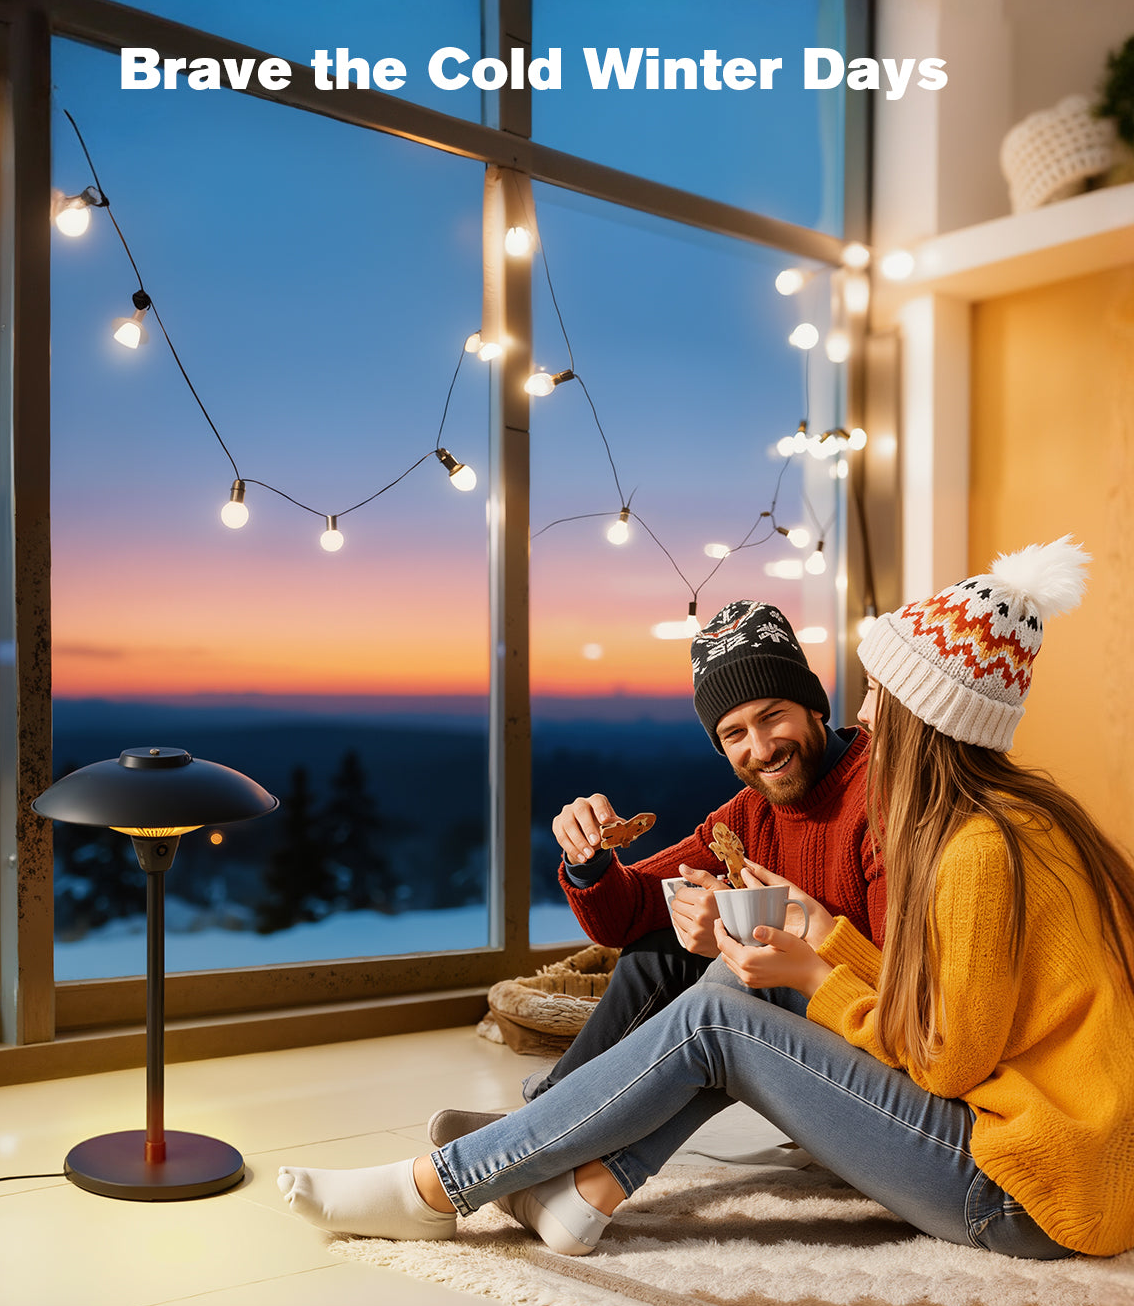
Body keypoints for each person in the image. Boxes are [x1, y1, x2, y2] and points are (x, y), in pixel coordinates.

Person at [279, 537, 1134, 1260]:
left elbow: (947, 1059)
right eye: (733, 732)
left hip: (1026, 1188)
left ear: (918, 716)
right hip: (1033, 1153)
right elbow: (637, 913)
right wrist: (597, 865)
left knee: (721, 1014)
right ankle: (578, 1184)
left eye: (878, 693)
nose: (866, 714)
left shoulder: (973, 846)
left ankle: (441, 1187)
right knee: (724, 983)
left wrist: (817, 960)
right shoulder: (1014, 820)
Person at [508, 599, 886, 1118]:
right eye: (734, 734)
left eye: (772, 716)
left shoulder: (884, 794)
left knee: (722, 983)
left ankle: (545, 1126)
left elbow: (900, 984)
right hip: (801, 1035)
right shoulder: (747, 816)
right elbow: (628, 915)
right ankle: (551, 1113)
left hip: (873, 1048)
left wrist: (738, 937)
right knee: (662, 946)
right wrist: (587, 857)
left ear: (814, 706)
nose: (761, 749)